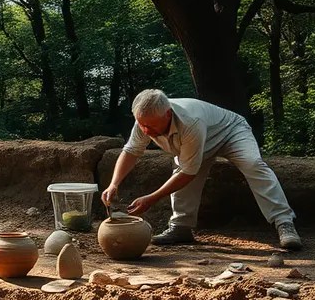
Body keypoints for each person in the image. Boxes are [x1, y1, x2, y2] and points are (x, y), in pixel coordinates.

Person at [102, 89, 302, 250]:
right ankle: (181, 227)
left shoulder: (190, 122)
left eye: (152, 127)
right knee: (182, 168)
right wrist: (114, 184)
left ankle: (284, 222)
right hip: (197, 141)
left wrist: (152, 198)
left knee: (253, 164)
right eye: (143, 125)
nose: (147, 132)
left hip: (231, 132)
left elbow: (188, 172)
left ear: (168, 114)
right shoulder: (145, 120)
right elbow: (131, 151)